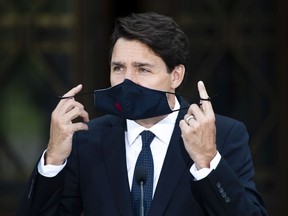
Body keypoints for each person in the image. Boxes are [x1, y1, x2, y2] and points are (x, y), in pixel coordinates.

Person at [17, 12, 268, 216]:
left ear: (175, 76)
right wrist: (53, 159)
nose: (127, 82)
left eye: (143, 69)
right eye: (118, 68)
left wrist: (208, 162)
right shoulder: (87, 140)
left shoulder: (224, 135)